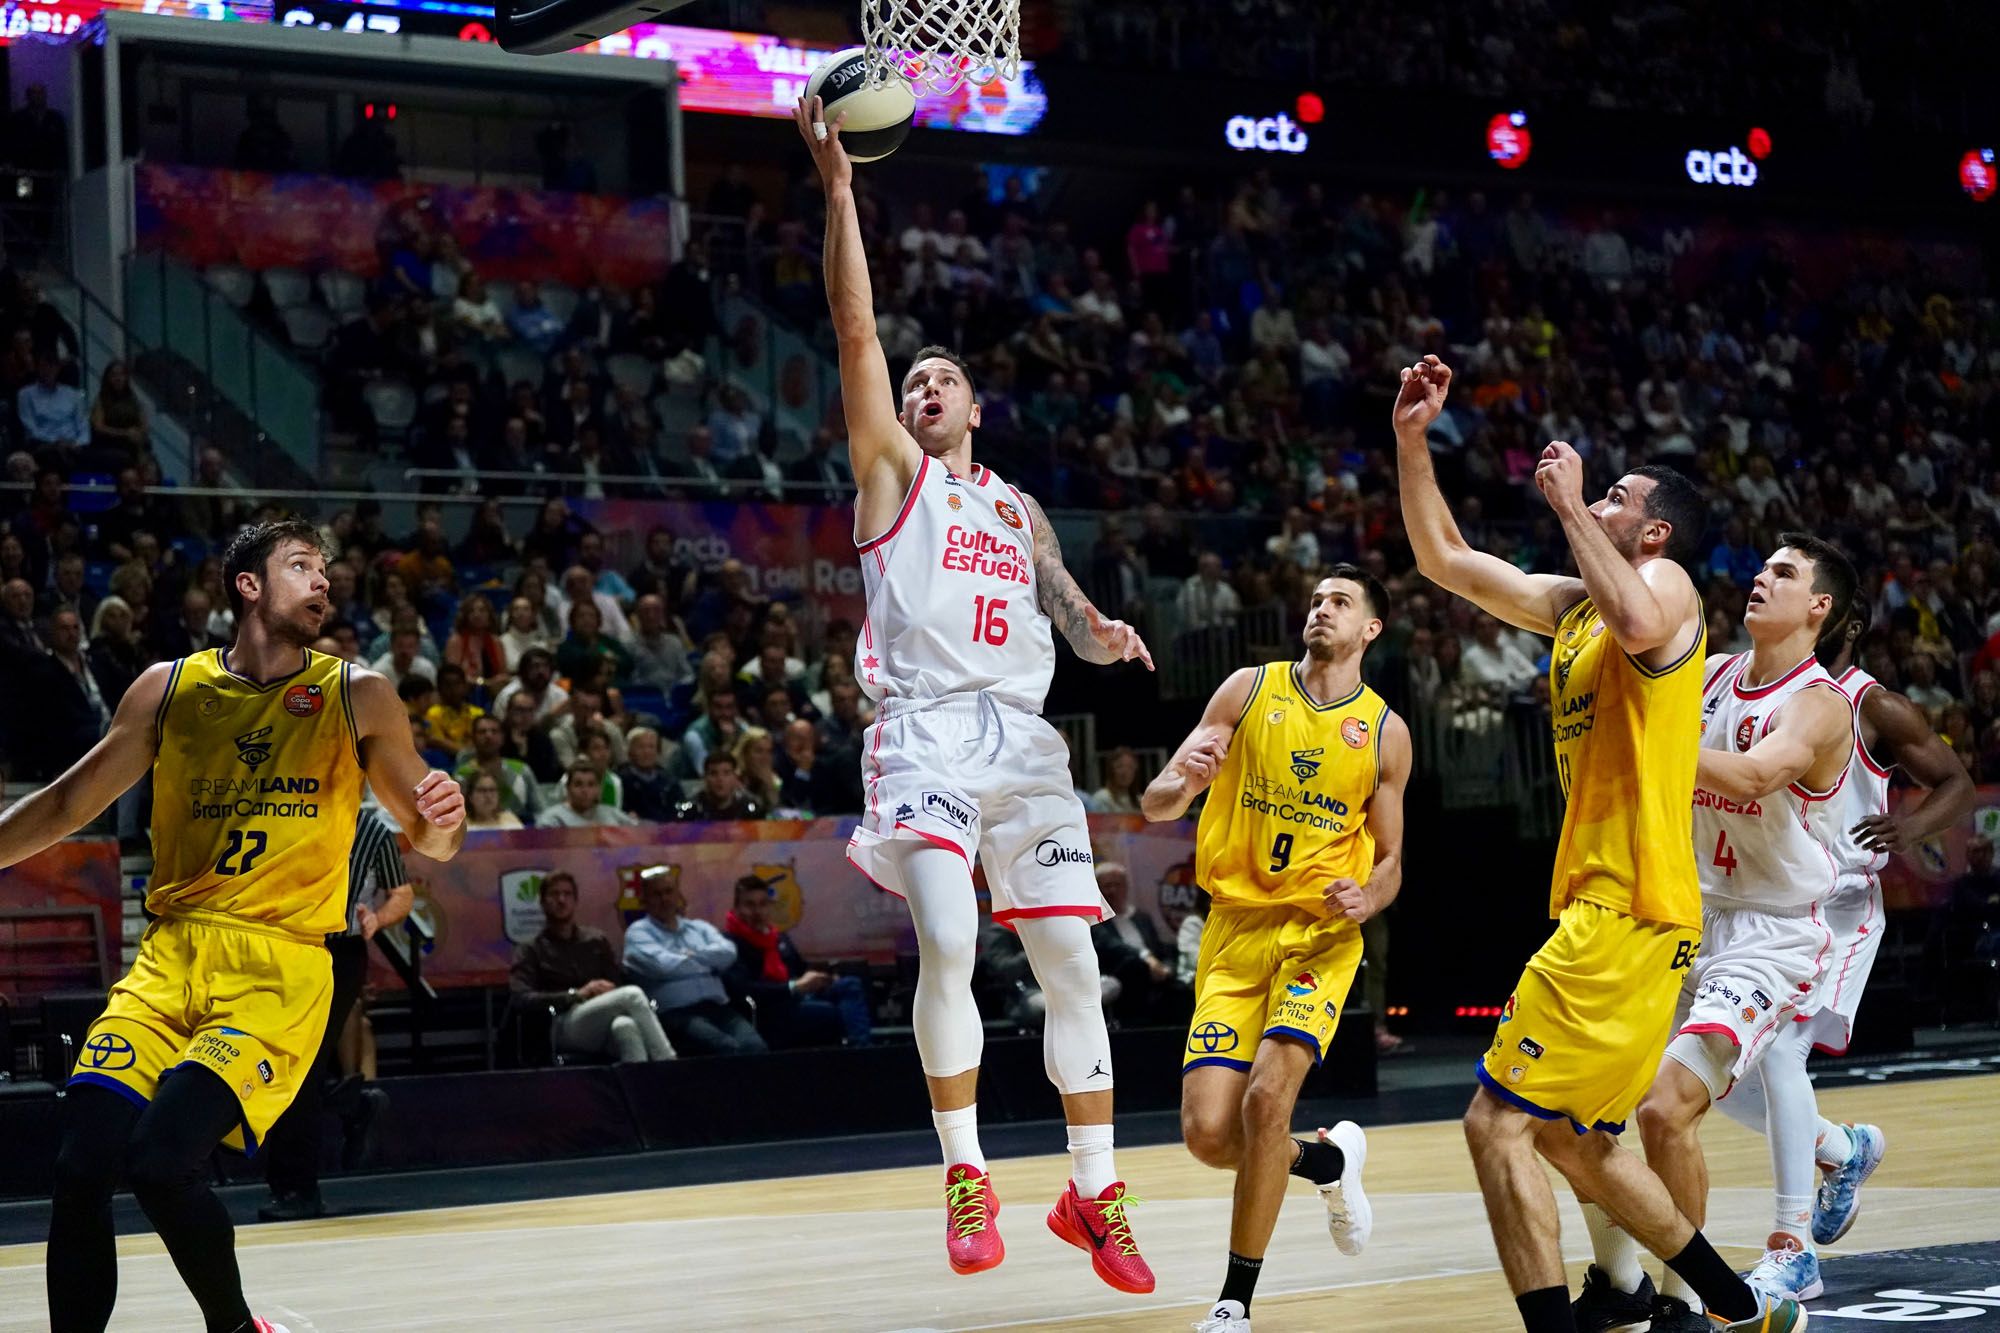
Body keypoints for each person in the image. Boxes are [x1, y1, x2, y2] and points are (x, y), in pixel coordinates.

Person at [800, 95, 1159, 1292]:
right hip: (925, 735)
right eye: (914, 380)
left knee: (1070, 963)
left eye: (943, 377)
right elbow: (856, 331)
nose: (923, 386)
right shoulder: (891, 477)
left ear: (976, 407)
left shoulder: (1015, 505)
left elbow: (1060, 593)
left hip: (1027, 746)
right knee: (948, 941)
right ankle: (963, 1171)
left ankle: (1093, 1190)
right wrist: (840, 191)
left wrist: (1099, 635)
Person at [1391, 357, 1799, 1333]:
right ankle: (1733, 1304)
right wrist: (1410, 443)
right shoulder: (1573, 603)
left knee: (1494, 1122)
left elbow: (1635, 615)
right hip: (1628, 911)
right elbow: (1443, 560)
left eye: (1616, 496)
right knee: (1578, 1144)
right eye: (1596, 491)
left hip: (1623, 903)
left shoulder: (1666, 588)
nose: (1596, 498)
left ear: (1650, 530)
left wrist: (1573, 505)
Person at [0, 516, 465, 1333]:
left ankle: (238, 1328)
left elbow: (428, 831)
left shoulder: (357, 693)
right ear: (248, 585)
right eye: (302, 566)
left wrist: (442, 818)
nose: (324, 581)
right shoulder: (168, 688)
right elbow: (71, 802)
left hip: (277, 969)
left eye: (327, 570)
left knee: (158, 1160)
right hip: (169, 957)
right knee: (79, 1165)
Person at [1578, 536, 1858, 1327]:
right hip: (1686, 916)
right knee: (1595, 1099)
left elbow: (1755, 774)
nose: (1760, 578)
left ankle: (1693, 1296)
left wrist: (1646, 741)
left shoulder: (1819, 702)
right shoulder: (1713, 675)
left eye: (1784, 573)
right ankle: (1632, 1282)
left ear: (1819, 607)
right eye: (1761, 567)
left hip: (1771, 932)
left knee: (1666, 1109)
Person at [1143, 568, 1412, 1333]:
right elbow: (1156, 798)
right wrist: (1182, 785)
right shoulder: (1246, 689)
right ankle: (1326, 1162)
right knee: (1208, 1135)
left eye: (1341, 602)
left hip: (1318, 939)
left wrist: (1370, 895)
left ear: (1370, 629)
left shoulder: (1385, 730)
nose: (1321, 609)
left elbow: (1391, 860)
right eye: (1317, 599)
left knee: (1267, 1101)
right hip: (1233, 929)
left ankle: (1234, 1303)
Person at [1681, 603, 1976, 1297]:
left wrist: (1910, 827)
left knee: (1780, 1052)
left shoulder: (1872, 704)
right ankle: (1843, 1149)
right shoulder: (1745, 686)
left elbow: (1957, 781)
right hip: (1753, 900)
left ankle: (1792, 1250)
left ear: (1834, 624)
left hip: (1835, 907)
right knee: (1717, 1082)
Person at [259, 806, 413, 1221]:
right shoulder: (293, 812)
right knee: (288, 1062)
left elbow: (402, 892)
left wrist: (377, 919)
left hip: (341, 950)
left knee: (303, 1065)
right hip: (289, 946)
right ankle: (352, 1105)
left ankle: (298, 1190)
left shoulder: (373, 829)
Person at [510, 871, 675, 1064]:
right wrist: (576, 994)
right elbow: (520, 999)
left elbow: (616, 983)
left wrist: (605, 990)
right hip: (560, 1022)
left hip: (600, 1018)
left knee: (626, 1026)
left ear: (575, 900)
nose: (561, 900)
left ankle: (636, 1089)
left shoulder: (596, 941)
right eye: (554, 895)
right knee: (632, 995)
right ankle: (669, 1066)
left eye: (567, 894)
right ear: (543, 902)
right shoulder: (531, 949)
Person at [621, 867, 767, 1056]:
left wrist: (688, 957)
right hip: (676, 1013)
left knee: (757, 1048)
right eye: (656, 894)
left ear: (677, 894)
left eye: (668, 892)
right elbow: (663, 967)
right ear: (644, 900)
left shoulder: (699, 928)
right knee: (726, 1048)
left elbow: (728, 953)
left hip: (719, 1008)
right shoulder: (638, 932)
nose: (664, 899)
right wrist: (707, 963)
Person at [721, 874, 872, 1048]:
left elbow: (801, 969)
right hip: (770, 1008)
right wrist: (793, 987)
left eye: (763, 904)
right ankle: (859, 1055)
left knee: (850, 985)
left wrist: (821, 980)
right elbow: (744, 988)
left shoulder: (777, 937)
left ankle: (861, 1049)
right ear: (737, 908)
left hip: (797, 996)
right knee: (831, 1013)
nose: (757, 911)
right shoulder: (728, 943)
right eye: (750, 905)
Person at [538, 760, 638, 828]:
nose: (585, 790)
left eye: (591, 785)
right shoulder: (552, 819)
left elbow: (638, 833)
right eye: (578, 784)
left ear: (598, 789)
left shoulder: (612, 814)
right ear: (568, 788)